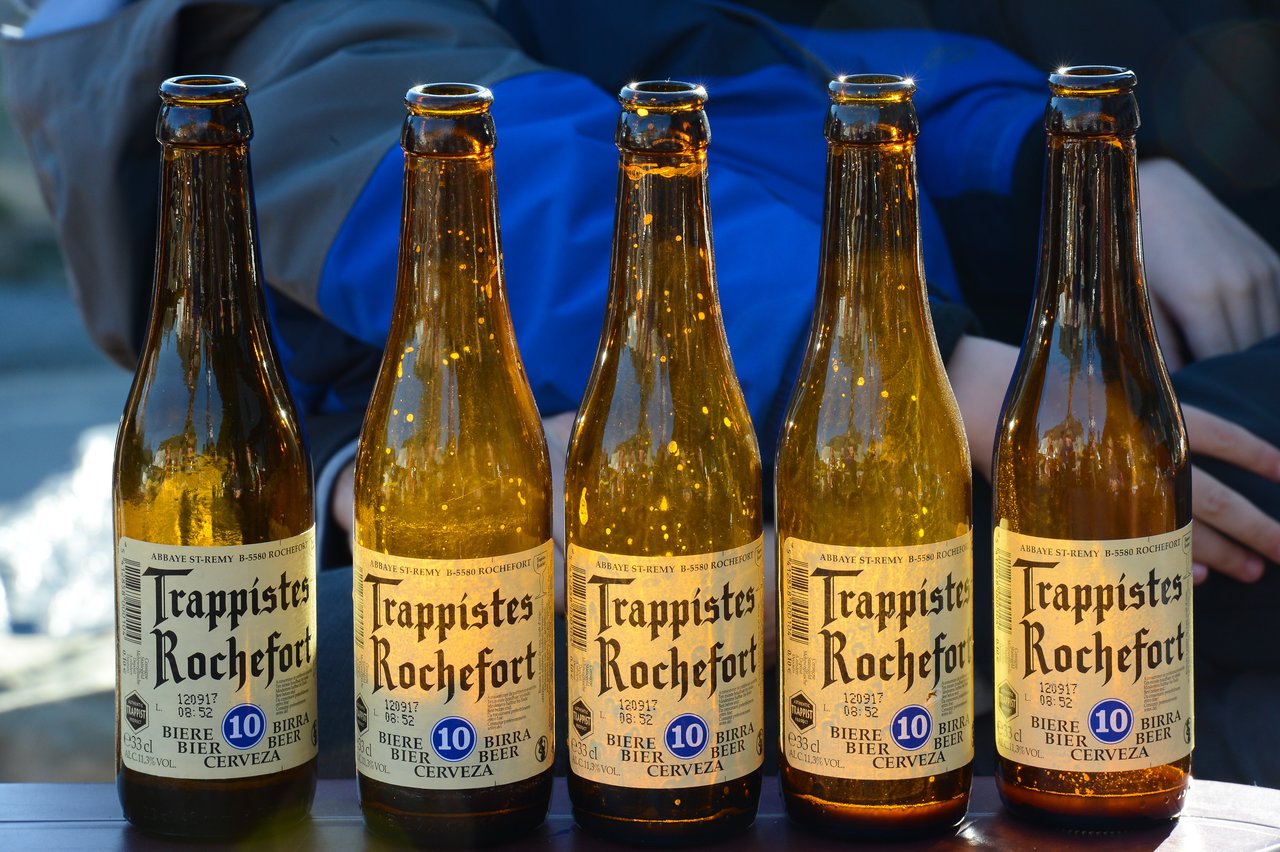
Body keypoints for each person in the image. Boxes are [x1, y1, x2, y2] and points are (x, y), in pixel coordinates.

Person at [5, 0, 1278, 783]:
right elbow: (530, 190)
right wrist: (934, 372)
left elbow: (774, 73)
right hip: (826, 461)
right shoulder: (288, 41)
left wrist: (1066, 148)